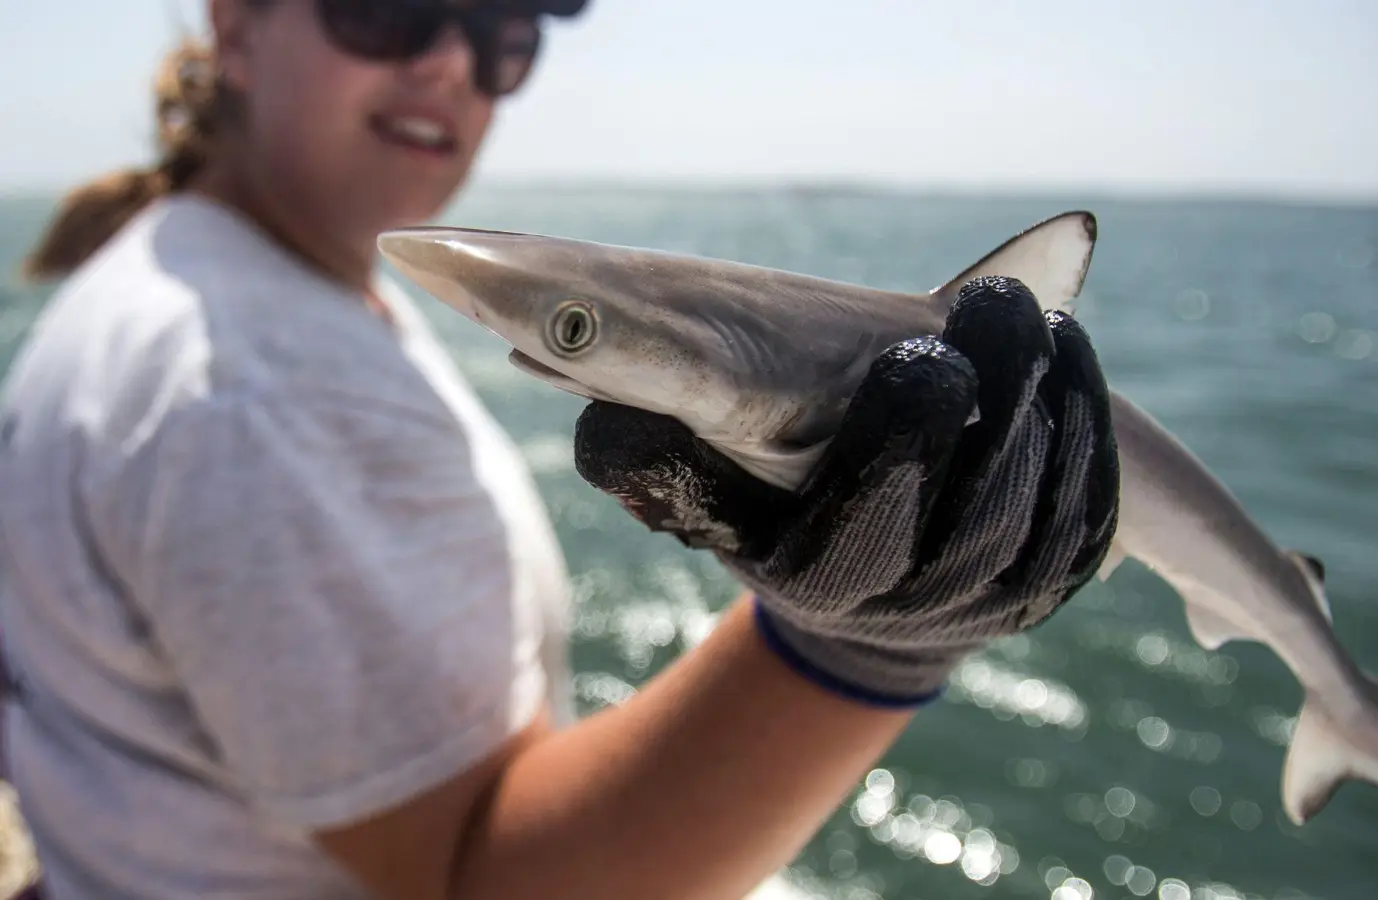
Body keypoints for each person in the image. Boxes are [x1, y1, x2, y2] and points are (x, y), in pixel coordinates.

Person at [0, 1, 1120, 898]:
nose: (451, 62)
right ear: (235, 24)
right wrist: (870, 650)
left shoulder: (201, 274)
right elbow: (476, 882)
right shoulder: (256, 391)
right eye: (388, 12)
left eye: (504, 37)